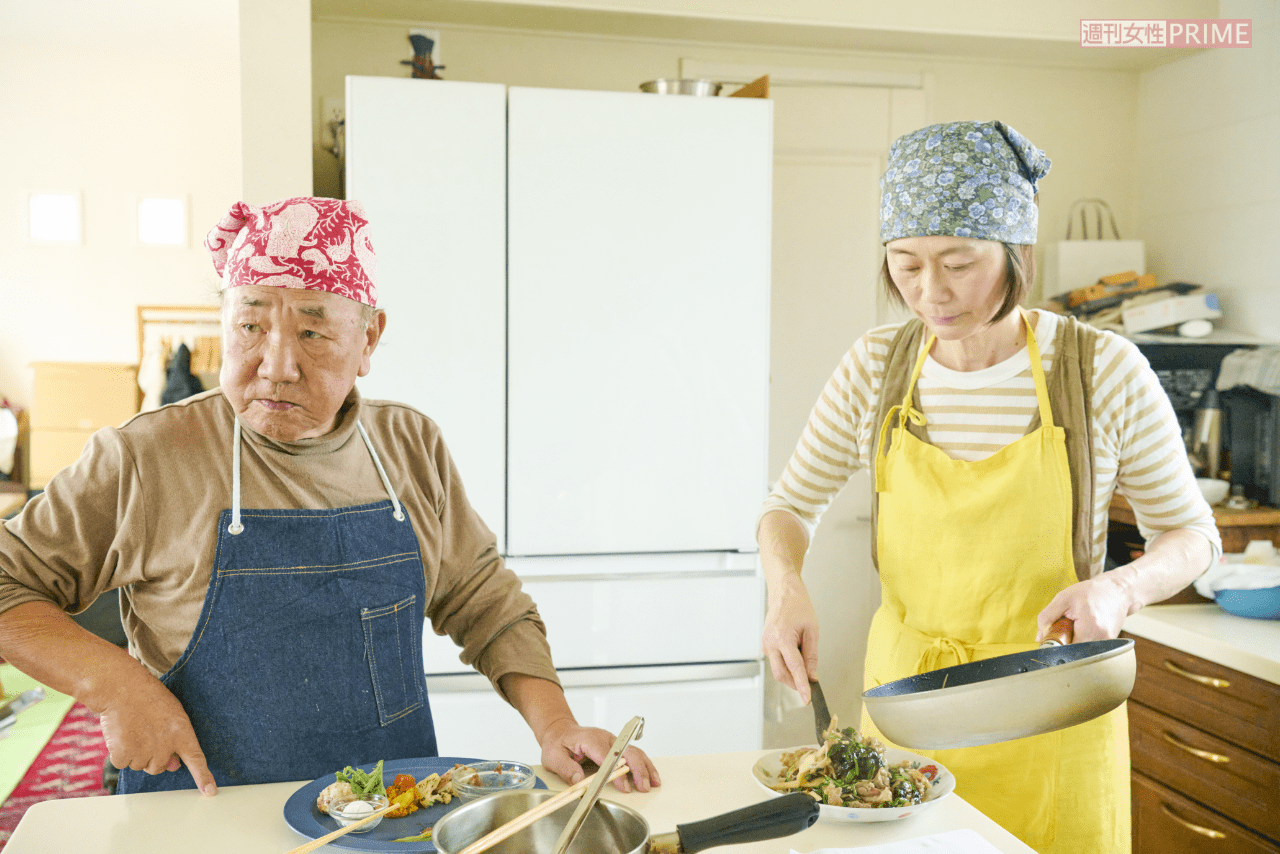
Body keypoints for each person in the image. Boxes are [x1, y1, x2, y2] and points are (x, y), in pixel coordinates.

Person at [0, 197, 659, 797]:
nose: (277, 364)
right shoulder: (147, 456)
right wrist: (114, 685)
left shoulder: (410, 444)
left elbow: (483, 598)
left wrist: (555, 725)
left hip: (387, 817)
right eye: (250, 328)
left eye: (314, 333)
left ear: (369, 339)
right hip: (203, 818)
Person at [757, 121, 1219, 853]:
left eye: (959, 264)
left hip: (1054, 708)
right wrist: (785, 586)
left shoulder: (1101, 369)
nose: (930, 293)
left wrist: (1119, 591)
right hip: (910, 716)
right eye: (905, 264)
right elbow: (789, 505)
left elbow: (1194, 537)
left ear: (1016, 253)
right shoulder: (876, 366)